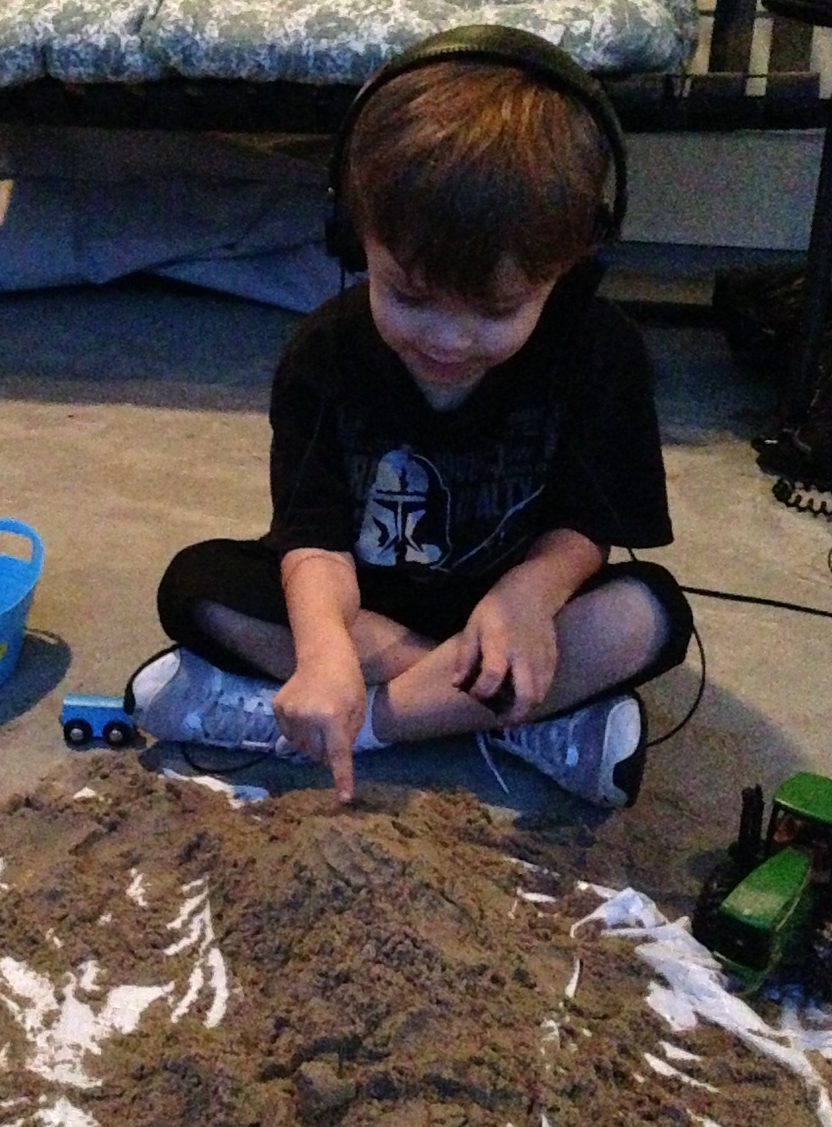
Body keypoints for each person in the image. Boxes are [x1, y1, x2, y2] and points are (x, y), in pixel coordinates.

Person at [125, 27, 693, 809]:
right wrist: (323, 649)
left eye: (497, 309)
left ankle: (351, 725)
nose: (450, 340)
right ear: (353, 238)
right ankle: (513, 717)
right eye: (410, 296)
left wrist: (528, 596)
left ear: (573, 267)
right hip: (371, 607)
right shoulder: (323, 351)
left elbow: (586, 527)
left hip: (508, 605)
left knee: (651, 613)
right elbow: (314, 540)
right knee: (198, 586)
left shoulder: (600, 351)